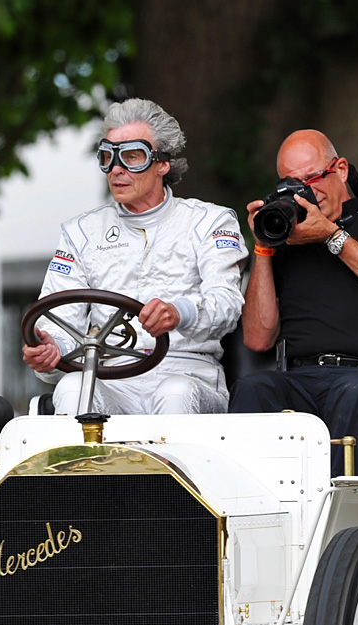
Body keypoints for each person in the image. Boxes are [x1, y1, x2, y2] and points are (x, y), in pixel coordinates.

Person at [227, 129, 358, 476]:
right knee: (251, 388)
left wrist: (331, 237)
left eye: (312, 179)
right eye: (292, 185)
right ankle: (252, 511)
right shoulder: (286, 243)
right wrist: (263, 247)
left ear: (339, 169)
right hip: (301, 376)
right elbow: (257, 339)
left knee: (353, 392)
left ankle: (340, 518)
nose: (305, 193)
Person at [22, 98, 247, 415]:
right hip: (110, 375)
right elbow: (59, 318)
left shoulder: (210, 222)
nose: (116, 169)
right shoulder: (81, 232)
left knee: (175, 392)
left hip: (188, 372)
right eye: (107, 157)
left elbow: (227, 305)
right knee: (71, 386)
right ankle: (85, 467)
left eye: (132, 156)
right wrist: (51, 348)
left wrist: (178, 313)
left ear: (162, 163)